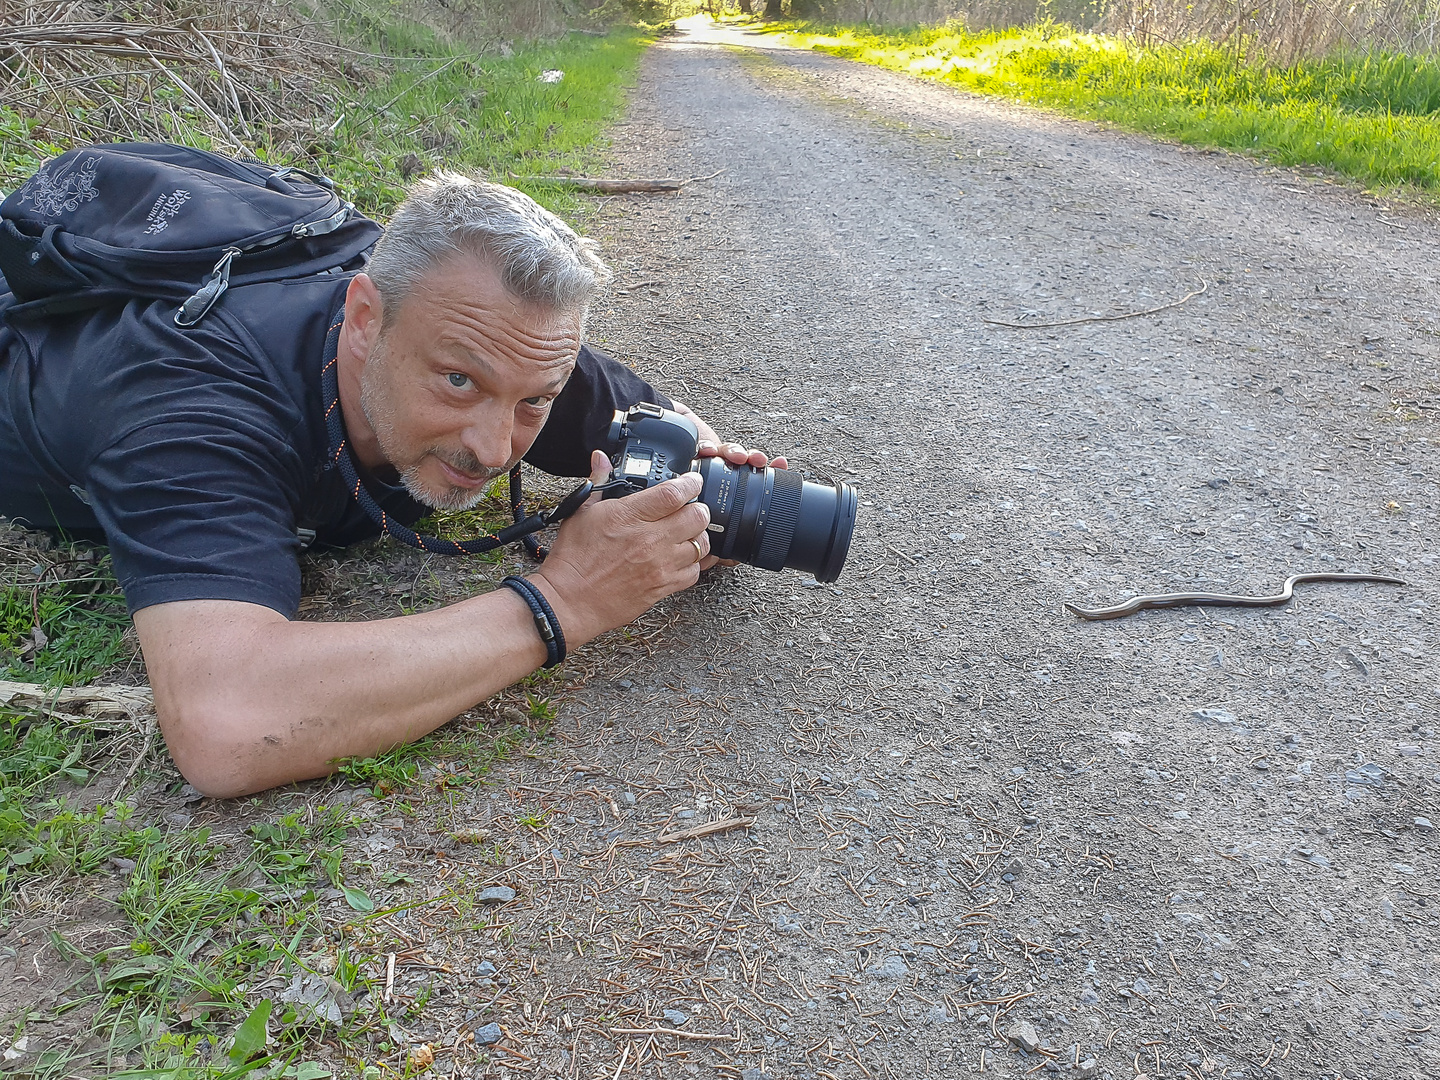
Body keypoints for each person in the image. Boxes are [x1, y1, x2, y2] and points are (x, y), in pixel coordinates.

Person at [0, 172, 781, 798]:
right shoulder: (195, 406)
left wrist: (701, 477)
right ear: (366, 320)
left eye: (532, 400)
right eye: (456, 382)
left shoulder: (489, 338)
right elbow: (226, 723)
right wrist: (568, 599)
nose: (491, 446)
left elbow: (655, 413)